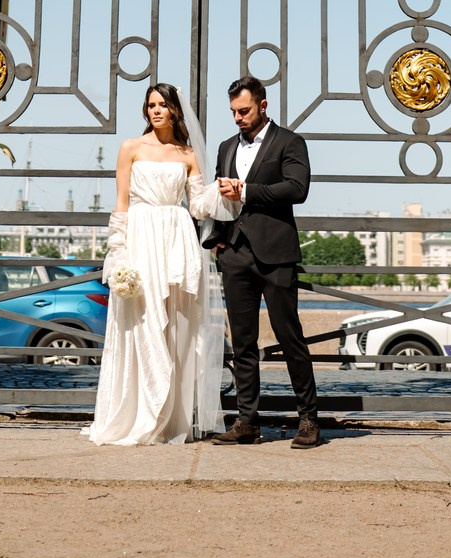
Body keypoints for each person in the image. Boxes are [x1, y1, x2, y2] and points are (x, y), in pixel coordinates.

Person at [83, 82, 235, 446]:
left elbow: (197, 206)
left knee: (177, 326)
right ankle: (138, 412)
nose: (155, 110)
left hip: (176, 237)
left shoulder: (187, 154)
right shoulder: (130, 148)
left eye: (162, 105)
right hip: (140, 235)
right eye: (150, 105)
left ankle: (167, 417)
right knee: (141, 323)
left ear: (174, 111)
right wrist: (117, 249)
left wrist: (222, 189)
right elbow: (121, 202)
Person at [205, 74, 322, 449]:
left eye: (244, 110)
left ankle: (308, 421)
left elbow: (297, 189)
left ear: (263, 105)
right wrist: (218, 242)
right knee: (242, 344)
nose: (238, 117)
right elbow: (220, 200)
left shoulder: (290, 141)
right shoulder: (225, 147)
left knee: (291, 339)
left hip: (276, 254)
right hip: (235, 255)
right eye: (233, 112)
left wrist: (248, 190)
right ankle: (247, 422)